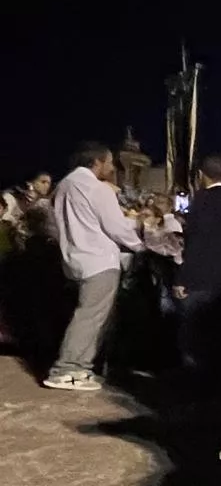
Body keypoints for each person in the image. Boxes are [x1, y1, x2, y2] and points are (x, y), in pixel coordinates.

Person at [43, 143, 143, 391]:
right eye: (109, 162)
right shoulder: (96, 188)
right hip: (99, 260)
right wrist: (140, 243)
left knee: (90, 315)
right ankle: (66, 369)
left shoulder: (63, 186)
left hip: (75, 257)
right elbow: (115, 226)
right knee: (90, 316)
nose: (112, 167)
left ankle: (80, 369)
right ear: (96, 162)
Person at [173, 153, 221, 390]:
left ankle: (194, 389)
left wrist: (182, 278)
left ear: (200, 176)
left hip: (200, 279)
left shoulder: (202, 200)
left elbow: (196, 243)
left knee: (194, 338)